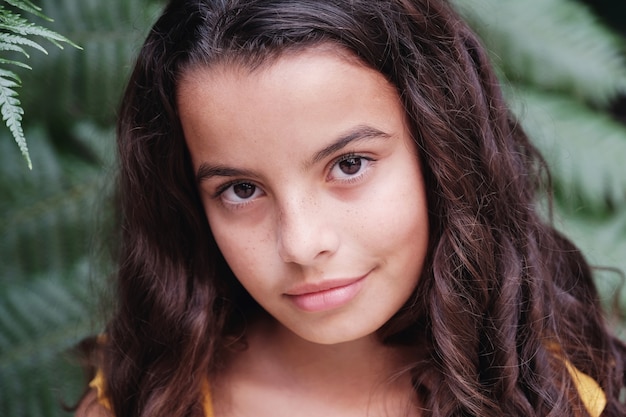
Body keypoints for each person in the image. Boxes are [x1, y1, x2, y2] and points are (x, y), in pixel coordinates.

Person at [76, 0, 626, 416]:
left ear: (443, 152)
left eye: (349, 164)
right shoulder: (146, 394)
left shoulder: (550, 394)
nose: (300, 242)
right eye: (241, 190)